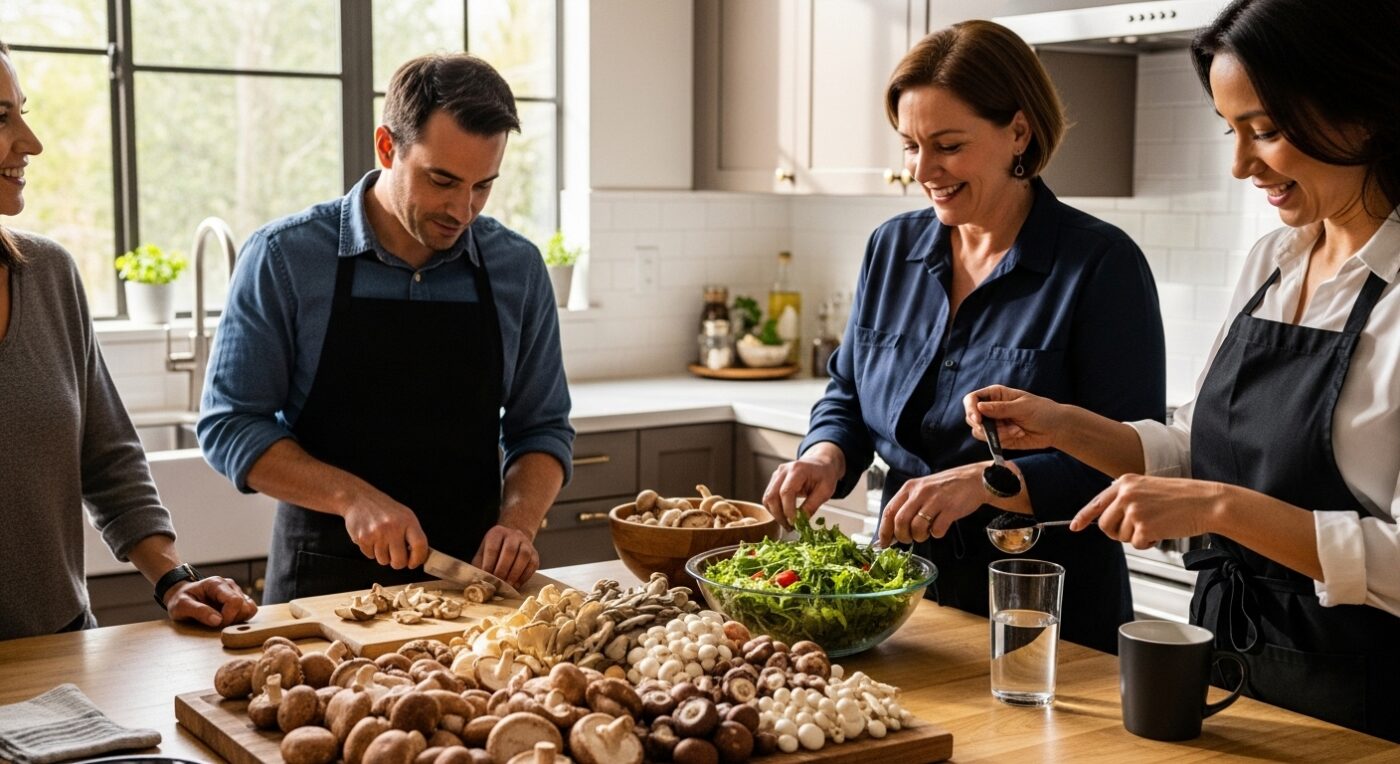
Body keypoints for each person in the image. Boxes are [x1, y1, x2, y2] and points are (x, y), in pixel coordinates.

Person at [963, 0, 1400, 740]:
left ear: (1360, 115)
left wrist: (1219, 509)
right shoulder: (1274, 260)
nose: (1240, 165)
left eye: (1264, 131)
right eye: (1231, 132)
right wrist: (1063, 426)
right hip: (1228, 666)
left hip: (1361, 697)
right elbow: (1203, 445)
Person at [763, 21, 1166, 654]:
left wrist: (985, 480)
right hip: (900, 595)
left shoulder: (1100, 265)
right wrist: (825, 454)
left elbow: (1133, 462)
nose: (924, 170)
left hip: (1042, 609)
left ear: (1018, 132)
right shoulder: (890, 247)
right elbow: (849, 389)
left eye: (947, 145)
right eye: (910, 146)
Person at [199, 53, 573, 603]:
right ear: (386, 147)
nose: (462, 209)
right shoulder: (286, 258)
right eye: (441, 179)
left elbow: (542, 428)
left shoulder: (516, 268)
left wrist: (519, 522)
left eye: (482, 187)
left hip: (470, 592)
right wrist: (351, 497)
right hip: (322, 588)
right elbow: (229, 422)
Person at [0, 40, 257, 640]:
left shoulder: (48, 276)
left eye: (22, 112)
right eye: (0, 118)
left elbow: (108, 458)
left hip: (61, 653)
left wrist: (173, 578)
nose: (31, 143)